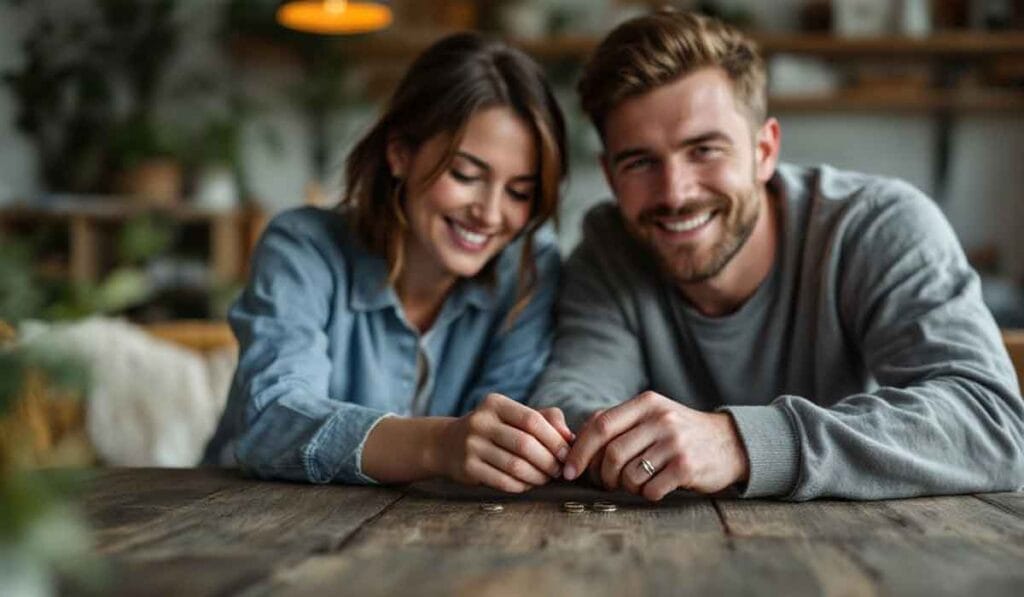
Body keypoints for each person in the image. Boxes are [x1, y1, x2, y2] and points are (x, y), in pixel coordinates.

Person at [530, 10, 1024, 501]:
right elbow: (569, 405)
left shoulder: (878, 226)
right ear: (611, 175)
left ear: (765, 150)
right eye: (640, 162)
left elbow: (992, 427)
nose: (675, 192)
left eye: (704, 150)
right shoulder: (608, 251)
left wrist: (743, 443)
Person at [204, 32, 574, 493]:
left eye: (520, 191)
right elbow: (271, 421)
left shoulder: (530, 267)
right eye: (465, 175)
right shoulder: (303, 246)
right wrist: (440, 444)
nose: (491, 213)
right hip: (240, 513)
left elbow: (500, 442)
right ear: (400, 153)